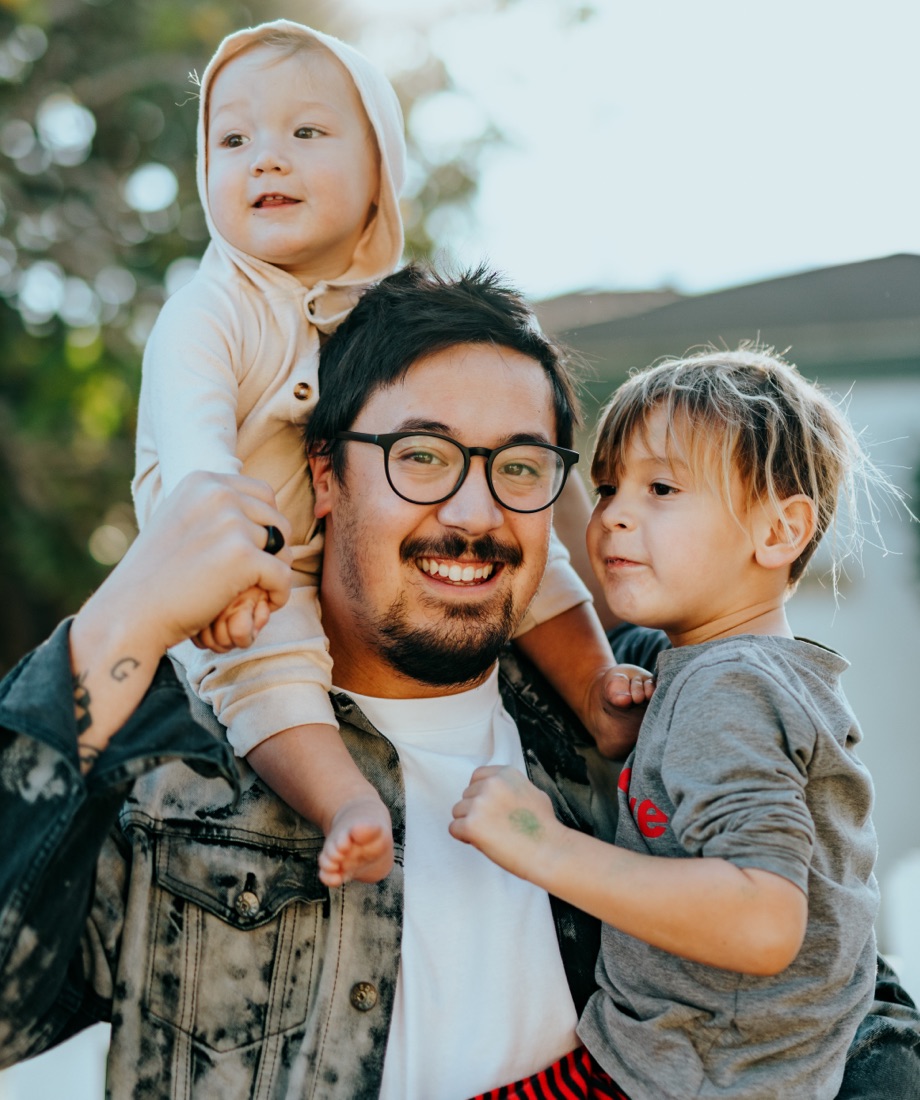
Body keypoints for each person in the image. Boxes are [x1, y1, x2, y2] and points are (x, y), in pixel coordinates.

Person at [0, 273, 916, 1099]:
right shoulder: (164, 744)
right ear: (324, 475)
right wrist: (118, 623)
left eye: (519, 469)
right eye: (423, 457)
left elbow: (838, 990)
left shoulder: (638, 703)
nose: (475, 515)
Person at [131, 19, 647, 890]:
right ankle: (345, 802)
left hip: (310, 554)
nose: (266, 158)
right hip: (241, 570)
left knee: (534, 551)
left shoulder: (393, 316)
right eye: (233, 139)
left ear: (381, 173)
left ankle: (597, 690)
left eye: (305, 133)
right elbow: (196, 464)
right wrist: (225, 574)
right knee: (269, 673)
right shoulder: (210, 311)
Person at [450, 346, 911, 1098]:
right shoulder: (737, 671)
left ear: (779, 531)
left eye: (661, 487)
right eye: (606, 486)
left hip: (684, 1075)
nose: (614, 514)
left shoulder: (726, 690)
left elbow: (763, 920)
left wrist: (541, 845)